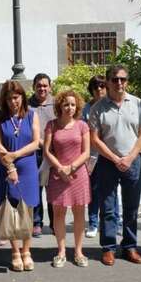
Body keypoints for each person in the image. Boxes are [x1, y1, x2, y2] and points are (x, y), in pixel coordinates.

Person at [89, 64, 141, 266]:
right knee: (107, 207)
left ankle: (130, 246)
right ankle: (108, 248)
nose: (119, 83)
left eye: (123, 79)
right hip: (107, 163)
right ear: (107, 82)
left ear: (127, 81)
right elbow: (95, 139)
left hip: (132, 161)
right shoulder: (98, 108)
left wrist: (131, 157)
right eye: (115, 79)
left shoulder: (139, 104)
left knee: (131, 208)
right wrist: (115, 159)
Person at [0, 80, 41, 271]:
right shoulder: (0, 117)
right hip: (6, 166)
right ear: (4, 100)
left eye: (17, 97)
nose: (14, 101)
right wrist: (10, 164)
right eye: (10, 98)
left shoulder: (32, 115)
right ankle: (14, 251)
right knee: (11, 207)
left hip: (28, 166)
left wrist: (16, 154)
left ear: (22, 97)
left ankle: (26, 250)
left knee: (27, 208)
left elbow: (36, 142)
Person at [44, 90, 91, 268]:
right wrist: (60, 168)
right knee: (58, 213)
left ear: (77, 106)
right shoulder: (51, 125)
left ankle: (79, 252)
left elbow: (86, 152)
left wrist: (70, 168)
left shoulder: (82, 126)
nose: (69, 107)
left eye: (72, 104)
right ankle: (61, 251)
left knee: (79, 213)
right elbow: (47, 151)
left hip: (78, 174)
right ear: (59, 106)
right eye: (66, 104)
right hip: (58, 175)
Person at [83, 75, 117, 239]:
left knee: (112, 191)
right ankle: (93, 223)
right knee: (94, 191)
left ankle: (113, 223)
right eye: (96, 87)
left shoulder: (111, 105)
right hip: (93, 157)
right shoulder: (85, 109)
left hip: (111, 155)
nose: (99, 90)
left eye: (102, 86)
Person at [28, 73, 55, 237]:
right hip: (34, 152)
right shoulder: (28, 105)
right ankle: (37, 222)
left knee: (52, 189)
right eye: (39, 85)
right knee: (36, 188)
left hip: (53, 153)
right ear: (34, 87)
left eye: (45, 85)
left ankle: (54, 223)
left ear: (50, 87)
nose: (42, 88)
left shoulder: (56, 103)